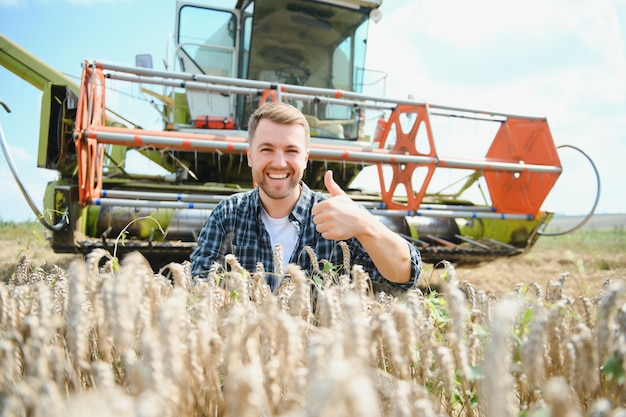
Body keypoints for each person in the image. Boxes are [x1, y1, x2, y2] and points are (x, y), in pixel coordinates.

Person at [190, 102, 421, 291]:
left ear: (305, 158)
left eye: (291, 150)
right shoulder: (228, 215)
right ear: (250, 156)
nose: (279, 163)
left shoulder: (336, 217)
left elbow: (405, 275)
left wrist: (365, 225)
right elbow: (199, 288)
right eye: (266, 149)